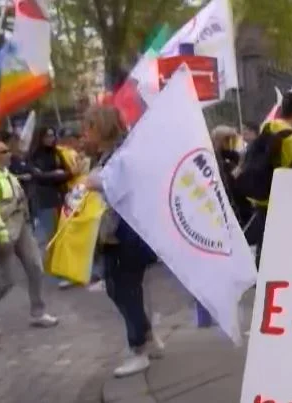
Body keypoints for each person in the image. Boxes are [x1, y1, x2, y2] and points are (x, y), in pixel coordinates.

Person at [81, 106, 164, 378]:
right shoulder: (116, 152)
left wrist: (96, 182)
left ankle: (138, 347)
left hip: (126, 233)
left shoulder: (121, 155)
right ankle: (147, 337)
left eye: (90, 127)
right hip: (125, 232)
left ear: (101, 127)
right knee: (124, 288)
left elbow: (117, 187)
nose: (86, 133)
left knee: (123, 289)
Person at [0, 138, 59, 330]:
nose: (8, 154)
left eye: (7, 151)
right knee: (5, 281)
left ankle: (38, 311)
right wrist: (2, 236)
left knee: (36, 266)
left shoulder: (6, 173)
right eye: (2, 152)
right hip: (4, 231)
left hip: (21, 226)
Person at [236, 92, 292, 265]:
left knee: (265, 238)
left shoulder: (269, 126)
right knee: (283, 242)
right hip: (281, 197)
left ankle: (260, 271)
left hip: (261, 193)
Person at [29, 127, 73, 252]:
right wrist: (55, 174)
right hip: (45, 200)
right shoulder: (35, 155)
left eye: (52, 135)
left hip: (61, 197)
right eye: (47, 136)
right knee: (51, 234)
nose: (50, 139)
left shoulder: (57, 153)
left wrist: (59, 175)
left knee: (63, 232)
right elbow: (37, 175)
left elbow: (68, 172)